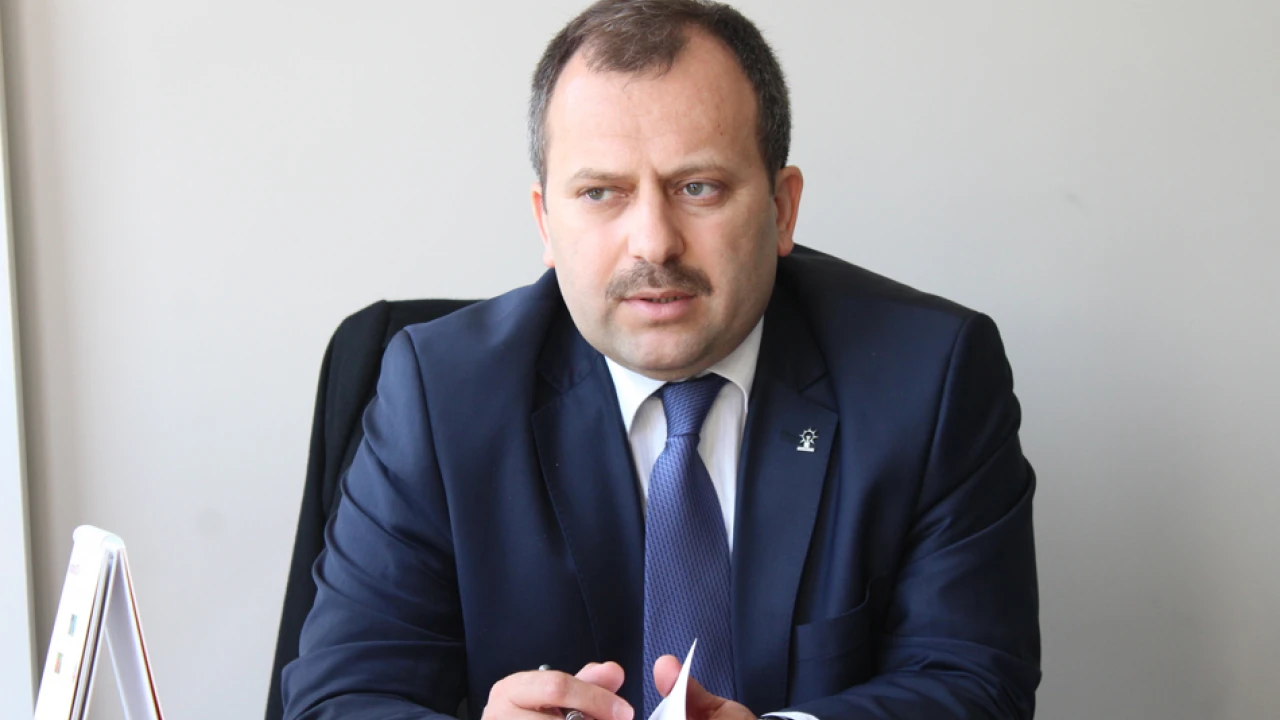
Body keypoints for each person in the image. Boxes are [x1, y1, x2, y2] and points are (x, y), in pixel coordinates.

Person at [280, 1, 1041, 719]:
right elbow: (338, 696)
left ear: (781, 208)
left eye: (697, 187)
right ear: (545, 222)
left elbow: (974, 682)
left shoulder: (930, 377)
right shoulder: (438, 392)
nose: (653, 242)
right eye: (601, 193)